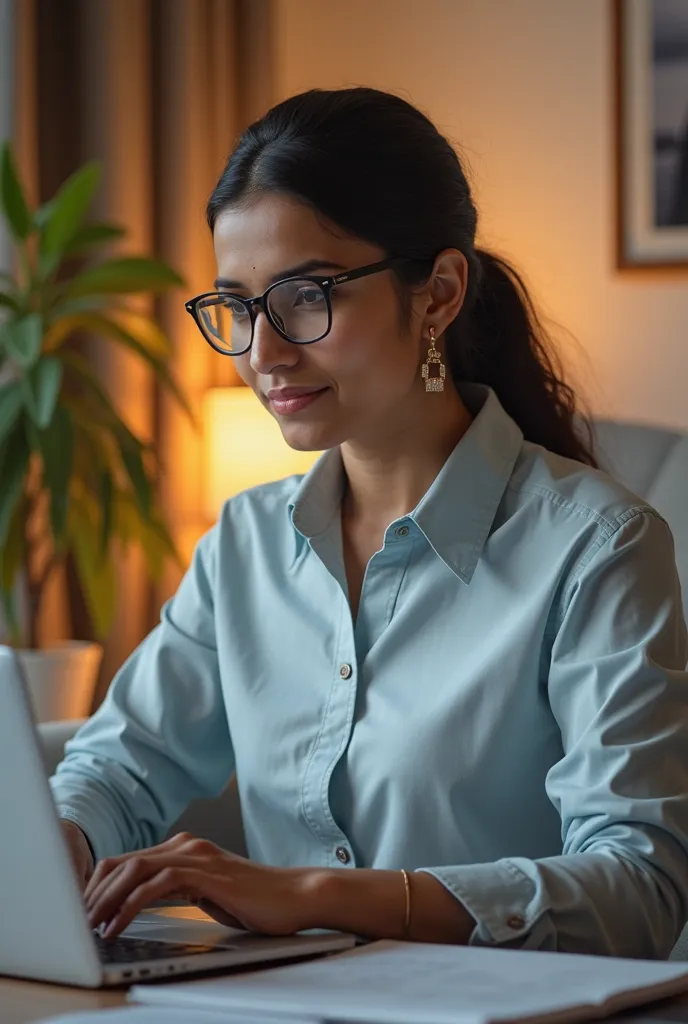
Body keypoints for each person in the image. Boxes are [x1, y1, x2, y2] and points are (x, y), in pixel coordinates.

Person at [54, 87, 688, 958]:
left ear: (438, 294)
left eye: (306, 295)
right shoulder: (244, 547)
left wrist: (320, 895)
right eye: (236, 307)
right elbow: (119, 769)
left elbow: (639, 889)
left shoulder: (598, 548)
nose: (263, 353)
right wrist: (63, 841)